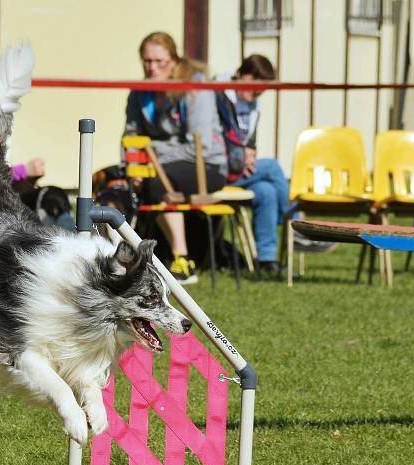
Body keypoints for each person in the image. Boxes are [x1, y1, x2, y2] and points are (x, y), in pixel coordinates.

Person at [124, 32, 228, 284]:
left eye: (159, 61)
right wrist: (133, 166)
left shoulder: (195, 87)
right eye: (147, 61)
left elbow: (198, 146)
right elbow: (130, 135)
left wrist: (153, 154)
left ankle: (183, 260)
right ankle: (126, 258)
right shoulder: (139, 93)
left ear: (174, 59)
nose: (153, 67)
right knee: (124, 182)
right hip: (159, 165)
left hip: (207, 166)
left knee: (157, 184)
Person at [218, 54, 335, 275]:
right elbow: (215, 136)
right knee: (271, 166)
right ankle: (299, 228)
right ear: (244, 75)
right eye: (254, 90)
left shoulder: (253, 104)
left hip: (239, 167)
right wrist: (241, 157)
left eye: (260, 93)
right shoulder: (219, 96)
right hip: (219, 169)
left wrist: (249, 155)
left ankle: (266, 260)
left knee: (267, 191)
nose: (255, 96)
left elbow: (249, 140)